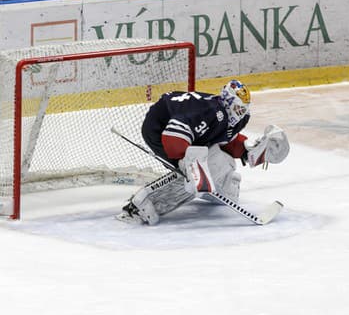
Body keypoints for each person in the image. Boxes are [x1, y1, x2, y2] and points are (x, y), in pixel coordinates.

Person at [116, 79, 290, 225]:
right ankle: (142, 205)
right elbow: (172, 139)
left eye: (243, 109)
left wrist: (248, 150)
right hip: (159, 129)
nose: (241, 114)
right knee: (192, 175)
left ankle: (219, 190)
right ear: (227, 102)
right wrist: (191, 165)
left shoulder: (233, 117)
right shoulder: (209, 113)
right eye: (238, 109)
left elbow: (226, 142)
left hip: (186, 132)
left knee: (222, 162)